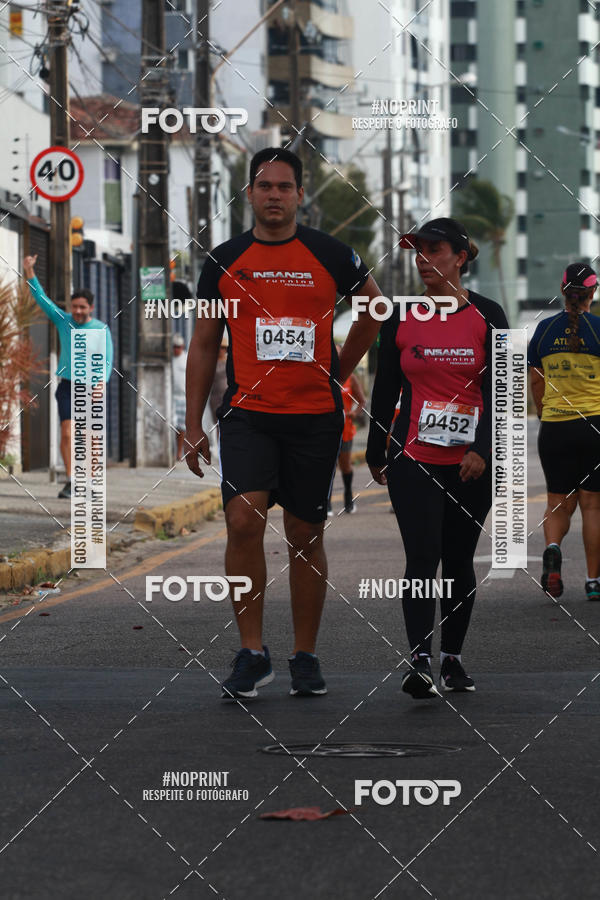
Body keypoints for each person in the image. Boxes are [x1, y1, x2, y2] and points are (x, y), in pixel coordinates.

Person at [185, 147, 381, 700]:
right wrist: (192, 422)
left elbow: (374, 307)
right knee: (242, 522)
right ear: (249, 193)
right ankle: (252, 652)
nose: (274, 195)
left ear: (300, 194)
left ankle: (304, 655)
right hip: (248, 415)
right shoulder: (224, 260)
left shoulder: (332, 254)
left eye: (284, 186)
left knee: (304, 535)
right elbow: (203, 345)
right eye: (264, 186)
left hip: (314, 419)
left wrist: (339, 370)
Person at [366, 217, 508, 699]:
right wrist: (375, 446)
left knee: (458, 560)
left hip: (471, 463)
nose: (423, 260)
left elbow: (502, 392)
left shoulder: (489, 315)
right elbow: (385, 387)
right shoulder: (401, 316)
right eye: (418, 251)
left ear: (460, 257)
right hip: (415, 457)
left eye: (434, 250)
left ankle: (452, 659)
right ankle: (419, 660)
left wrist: (483, 450)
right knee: (422, 557)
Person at [528, 262, 600, 601]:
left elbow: (536, 385)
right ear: (592, 293)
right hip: (594, 428)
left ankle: (553, 549)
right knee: (592, 506)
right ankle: (592, 582)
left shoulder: (542, 331)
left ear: (562, 291)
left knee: (557, 501)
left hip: (554, 428)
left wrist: (547, 415)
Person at [23, 254, 114, 499]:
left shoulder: (100, 329)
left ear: (91, 308)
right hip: (68, 386)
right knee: (67, 433)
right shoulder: (64, 321)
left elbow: (106, 359)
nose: (77, 311)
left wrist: (101, 383)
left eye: (82, 307)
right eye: (74, 306)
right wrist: (30, 271)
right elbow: (41, 299)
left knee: (90, 436)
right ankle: (72, 481)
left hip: (92, 388)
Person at [328, 345, 366, 515]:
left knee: (345, 466)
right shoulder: (324, 375)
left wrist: (354, 413)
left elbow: (362, 401)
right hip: (326, 429)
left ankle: (348, 497)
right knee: (328, 466)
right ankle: (326, 503)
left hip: (345, 429)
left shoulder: (350, 377)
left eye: (338, 353)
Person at [171, 333, 187, 461]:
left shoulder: (186, 359)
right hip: (171, 397)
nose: (176, 349)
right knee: (171, 424)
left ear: (183, 346)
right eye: (174, 347)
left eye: (179, 347)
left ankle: (179, 452)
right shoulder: (170, 360)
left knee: (181, 427)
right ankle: (171, 450)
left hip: (183, 397)